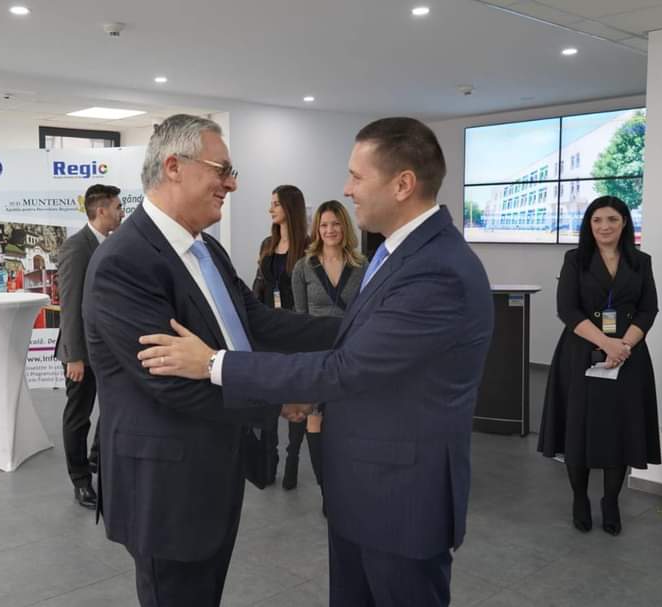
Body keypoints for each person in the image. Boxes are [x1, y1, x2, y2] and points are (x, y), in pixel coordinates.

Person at [138, 117, 494, 607]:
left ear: (403, 184)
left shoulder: (438, 271)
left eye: (356, 176)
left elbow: (347, 367)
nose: (347, 190)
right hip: (364, 488)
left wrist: (215, 364)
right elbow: (349, 339)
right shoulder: (400, 254)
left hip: (400, 499)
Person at [82, 114, 339, 606]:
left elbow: (258, 322)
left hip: (215, 467)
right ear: (173, 167)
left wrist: (359, 327)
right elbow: (169, 382)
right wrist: (279, 401)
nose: (232, 184)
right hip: (166, 489)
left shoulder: (206, 250)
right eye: (222, 170)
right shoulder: (124, 262)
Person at [537, 196, 661, 536]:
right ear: (589, 225)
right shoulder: (575, 259)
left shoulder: (641, 261)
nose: (604, 226)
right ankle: (580, 498)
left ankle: (610, 501)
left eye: (612, 219)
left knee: (619, 428)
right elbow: (567, 310)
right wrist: (607, 343)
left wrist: (623, 346)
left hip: (628, 356)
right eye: (597, 220)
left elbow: (648, 309)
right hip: (581, 353)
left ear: (624, 223)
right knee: (578, 426)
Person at [55, 183, 124, 509]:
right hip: (81, 353)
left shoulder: (109, 244)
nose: (122, 213)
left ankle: (96, 456)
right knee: (78, 417)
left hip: (107, 349)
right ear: (101, 210)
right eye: (117, 207)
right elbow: (70, 306)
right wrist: (75, 357)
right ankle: (81, 480)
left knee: (114, 405)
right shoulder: (76, 248)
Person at [290, 199, 365, 492]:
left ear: (345, 227)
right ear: (317, 229)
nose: (329, 230)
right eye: (324, 225)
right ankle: (326, 489)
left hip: (350, 353)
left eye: (335, 224)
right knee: (315, 418)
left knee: (347, 420)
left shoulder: (362, 266)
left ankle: (345, 483)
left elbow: (366, 313)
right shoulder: (303, 267)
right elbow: (300, 317)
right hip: (317, 355)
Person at [253, 184, 309, 489]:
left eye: (275, 204)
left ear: (290, 207)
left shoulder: (308, 248)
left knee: (295, 397)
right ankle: (268, 460)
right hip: (267, 330)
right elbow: (258, 286)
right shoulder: (267, 244)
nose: (270, 209)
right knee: (270, 397)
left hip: (294, 331)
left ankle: (292, 460)